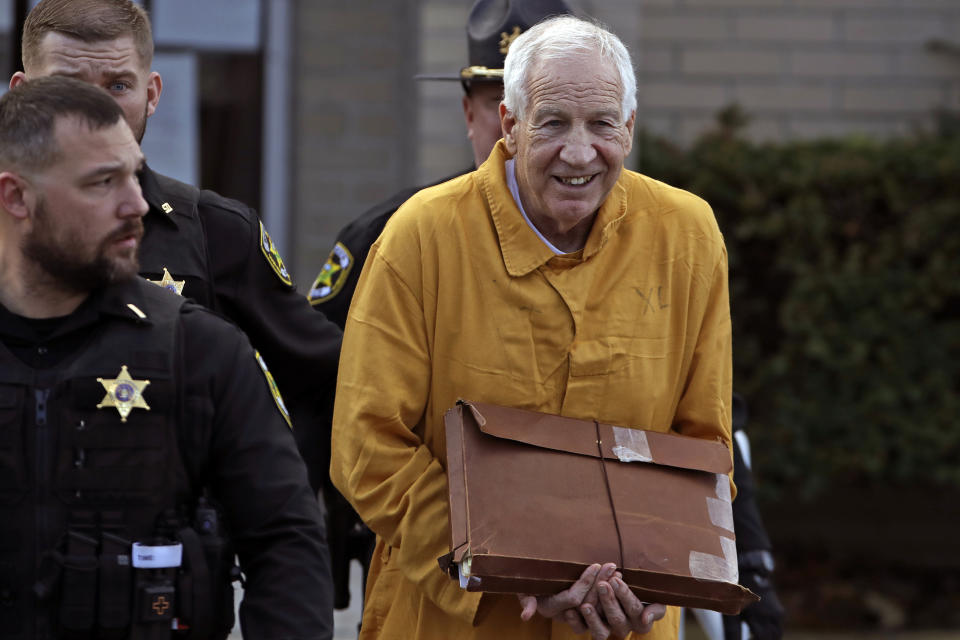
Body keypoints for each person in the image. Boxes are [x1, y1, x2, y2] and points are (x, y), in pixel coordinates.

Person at [331, 14, 733, 640]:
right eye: (552, 123)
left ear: (628, 128)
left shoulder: (688, 237)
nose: (579, 152)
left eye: (602, 123)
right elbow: (367, 449)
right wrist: (510, 567)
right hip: (449, 621)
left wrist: (659, 577)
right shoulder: (421, 236)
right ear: (511, 127)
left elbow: (705, 445)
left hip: (625, 623)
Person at [0, 76, 333, 638]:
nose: (136, 204)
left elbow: (284, 545)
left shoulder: (201, 350)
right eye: (103, 183)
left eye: (134, 174)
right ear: (16, 198)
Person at [310, 0, 576, 613]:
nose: (522, 135)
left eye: (553, 113)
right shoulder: (396, 235)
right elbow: (317, 388)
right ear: (473, 112)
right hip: (431, 583)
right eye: (500, 107)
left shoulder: (649, 243)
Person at [11, 0, 341, 491]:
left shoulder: (216, 232)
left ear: (152, 93)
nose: (96, 109)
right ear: (22, 93)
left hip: (166, 547)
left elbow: (330, 379)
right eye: (68, 87)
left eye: (118, 86)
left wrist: (274, 499)